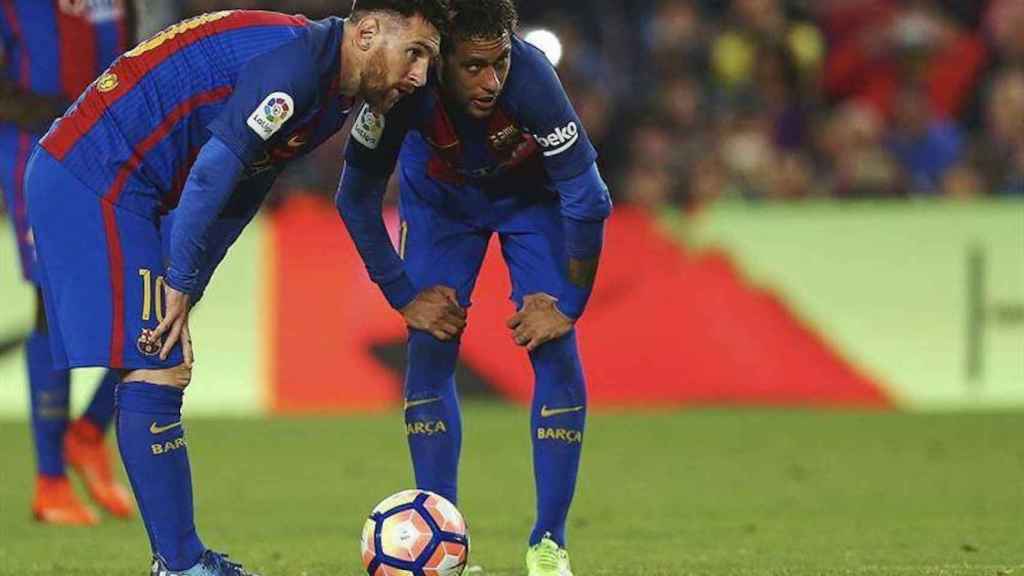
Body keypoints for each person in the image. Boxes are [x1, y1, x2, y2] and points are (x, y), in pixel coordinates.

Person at [26, 2, 446, 574]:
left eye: (429, 60)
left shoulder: (330, 95)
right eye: (414, 53)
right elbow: (210, 175)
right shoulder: (296, 70)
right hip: (96, 176)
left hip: (127, 187)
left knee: (160, 360)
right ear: (368, 31)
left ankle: (180, 560)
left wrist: (187, 286)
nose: (419, 75)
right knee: (157, 365)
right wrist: (177, 277)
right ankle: (179, 563)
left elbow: (240, 193)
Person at [336, 1, 611, 574]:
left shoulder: (533, 77)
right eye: (474, 68)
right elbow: (355, 197)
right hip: (439, 207)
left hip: (529, 204)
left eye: (500, 64)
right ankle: (446, 544)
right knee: (430, 345)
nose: (492, 82)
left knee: (554, 344)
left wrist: (570, 305)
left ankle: (549, 543)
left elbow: (588, 197)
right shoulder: (405, 84)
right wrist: (402, 295)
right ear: (439, 60)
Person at [0, 0, 136, 525]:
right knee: (51, 302)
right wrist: (59, 112)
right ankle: (50, 479)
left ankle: (89, 431)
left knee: (160, 286)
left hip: (113, 149)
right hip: (35, 151)